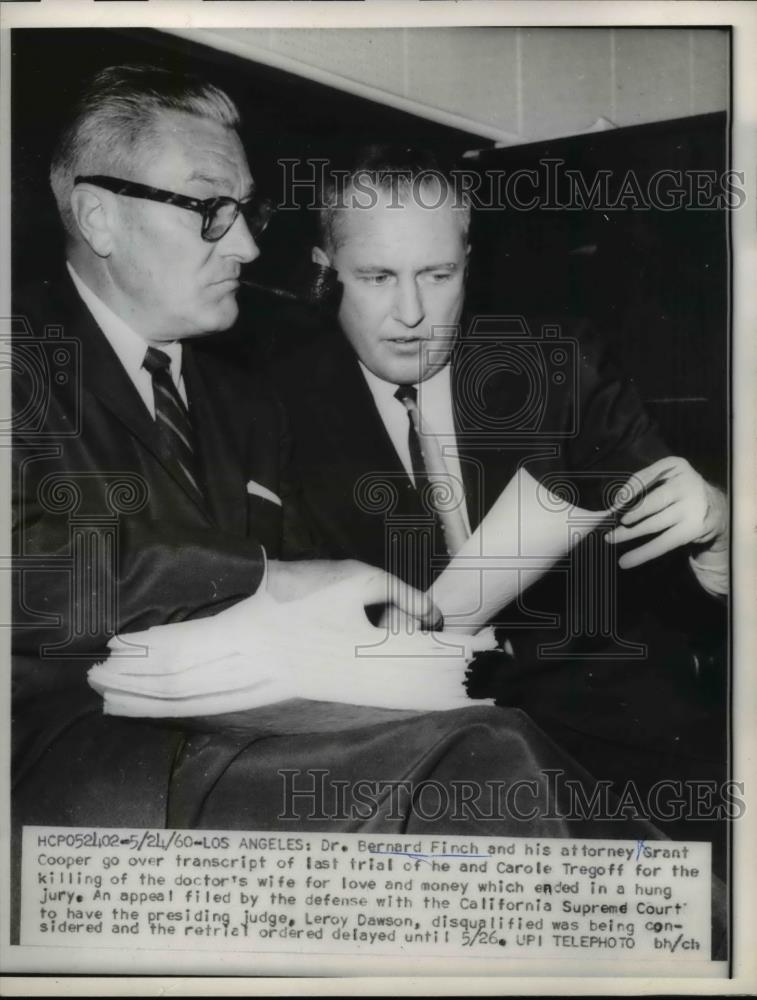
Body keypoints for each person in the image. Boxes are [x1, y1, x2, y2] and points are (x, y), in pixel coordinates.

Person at [272, 146, 729, 850]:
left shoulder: (559, 365)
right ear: (323, 270)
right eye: (375, 277)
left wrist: (721, 530)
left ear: (467, 260)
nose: (412, 312)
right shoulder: (271, 407)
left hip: (617, 742)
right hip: (411, 758)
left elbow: (689, 558)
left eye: (437, 273)